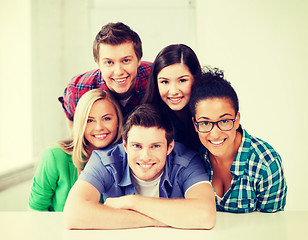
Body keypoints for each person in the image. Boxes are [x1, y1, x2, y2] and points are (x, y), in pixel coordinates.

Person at [63, 104, 216, 230]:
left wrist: (132, 202)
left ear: (170, 147)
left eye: (155, 146)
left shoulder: (186, 160)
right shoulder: (104, 161)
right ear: (125, 146)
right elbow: (73, 214)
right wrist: (162, 219)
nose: (145, 156)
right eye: (137, 146)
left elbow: (206, 215)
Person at [189, 67, 287, 213]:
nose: (215, 134)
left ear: (237, 120)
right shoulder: (193, 158)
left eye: (224, 121)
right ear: (195, 125)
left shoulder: (267, 164)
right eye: (205, 123)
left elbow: (273, 226)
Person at [29, 89, 123, 211]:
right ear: (80, 123)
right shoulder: (54, 156)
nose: (99, 127)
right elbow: (36, 210)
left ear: (118, 120)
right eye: (90, 120)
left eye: (106, 118)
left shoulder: (127, 158)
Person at [59, 22, 152, 128]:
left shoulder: (155, 76)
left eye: (126, 60)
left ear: (139, 60)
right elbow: (73, 121)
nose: (118, 71)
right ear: (98, 63)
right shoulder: (78, 88)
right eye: (109, 62)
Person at [142, 44, 202, 150]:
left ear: (195, 79)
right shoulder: (147, 120)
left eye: (182, 80)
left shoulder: (209, 109)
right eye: (165, 82)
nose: (173, 91)